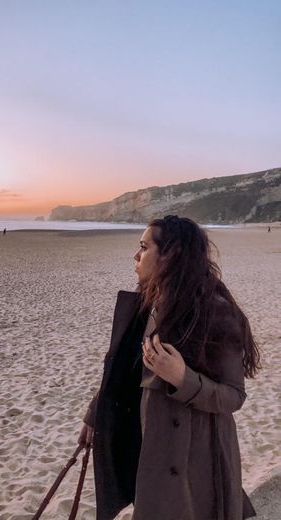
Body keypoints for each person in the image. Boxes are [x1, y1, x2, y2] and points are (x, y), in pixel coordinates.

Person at [78, 215, 260, 520]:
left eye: (144, 247)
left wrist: (181, 378)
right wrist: (96, 411)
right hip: (149, 446)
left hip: (194, 459)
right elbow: (126, 369)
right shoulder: (150, 302)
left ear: (170, 255)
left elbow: (234, 396)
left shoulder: (216, 311)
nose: (135, 256)